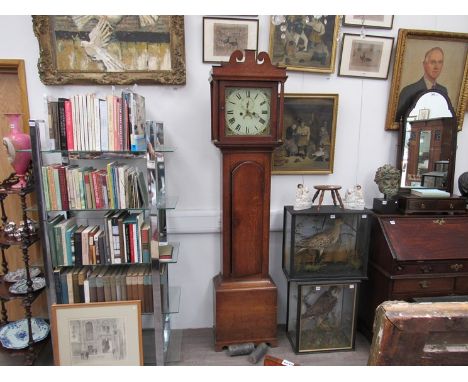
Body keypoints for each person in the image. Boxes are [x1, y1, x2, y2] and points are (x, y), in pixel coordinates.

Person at [395, 47, 448, 123]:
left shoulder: (443, 91)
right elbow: (397, 121)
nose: (436, 67)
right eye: (433, 62)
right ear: (424, 64)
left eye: (440, 62)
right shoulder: (408, 91)